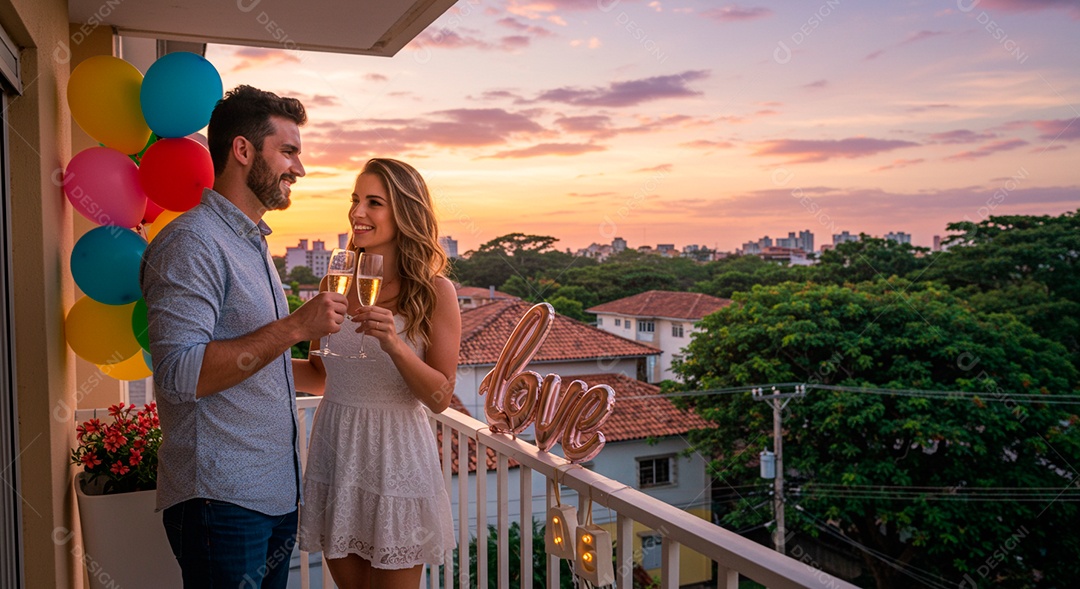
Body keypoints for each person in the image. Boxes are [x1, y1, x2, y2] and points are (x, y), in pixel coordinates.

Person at [140, 85, 350, 589]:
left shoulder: (252, 243)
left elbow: (255, 359)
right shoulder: (192, 243)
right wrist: (296, 326)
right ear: (243, 150)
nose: (299, 169)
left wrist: (324, 364)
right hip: (221, 500)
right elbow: (181, 375)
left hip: (272, 498)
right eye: (289, 151)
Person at [293, 158, 459, 589]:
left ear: (405, 212)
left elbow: (440, 397)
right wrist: (255, 357)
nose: (358, 212)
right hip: (337, 452)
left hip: (397, 458)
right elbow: (319, 374)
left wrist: (395, 344)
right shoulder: (335, 282)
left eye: (374, 202)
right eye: (355, 200)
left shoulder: (435, 291)